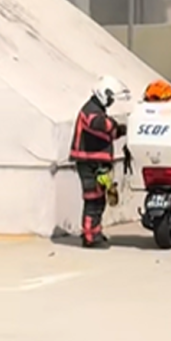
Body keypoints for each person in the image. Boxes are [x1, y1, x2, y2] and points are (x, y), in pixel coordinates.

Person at [69, 75, 130, 247]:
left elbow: (110, 132)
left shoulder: (97, 110)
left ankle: (94, 232)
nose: (111, 102)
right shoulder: (91, 111)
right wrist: (117, 127)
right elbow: (99, 125)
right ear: (104, 94)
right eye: (111, 98)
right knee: (93, 200)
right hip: (88, 163)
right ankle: (89, 236)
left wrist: (121, 130)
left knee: (99, 199)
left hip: (95, 163)